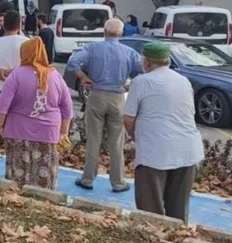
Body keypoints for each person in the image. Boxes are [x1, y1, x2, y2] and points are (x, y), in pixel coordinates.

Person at [124, 43, 204, 223]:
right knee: (178, 210)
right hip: (188, 151)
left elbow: (128, 119)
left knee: (150, 211)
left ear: (147, 62)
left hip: (155, 153)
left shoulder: (141, 82)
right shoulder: (183, 80)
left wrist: (137, 137)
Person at [67, 18, 143, 192]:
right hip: (117, 98)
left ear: (104, 32)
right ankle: (118, 182)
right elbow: (144, 69)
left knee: (93, 139)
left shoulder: (93, 49)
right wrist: (130, 84)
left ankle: (87, 179)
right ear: (122, 33)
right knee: (116, 142)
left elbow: (73, 63)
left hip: (97, 95)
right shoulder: (129, 53)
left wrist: (82, 76)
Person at [0, 37, 73, 190]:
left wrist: (1, 127)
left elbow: (1, 108)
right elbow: (67, 107)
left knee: (17, 177)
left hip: (17, 132)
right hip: (48, 134)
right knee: (45, 175)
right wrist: (63, 132)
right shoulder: (55, 76)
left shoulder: (16, 75)